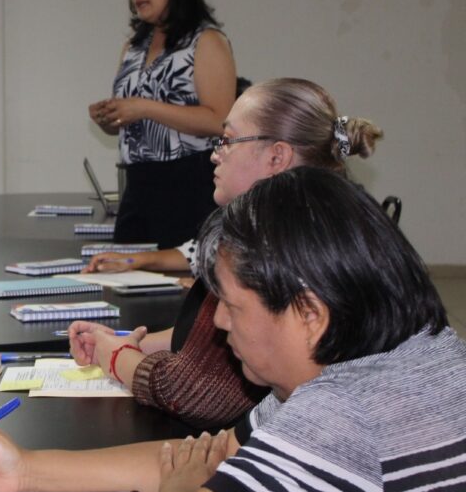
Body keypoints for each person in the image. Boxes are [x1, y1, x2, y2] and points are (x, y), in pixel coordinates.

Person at [0, 168, 466, 492]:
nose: (217, 324)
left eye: (233, 306)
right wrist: (22, 470)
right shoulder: (421, 356)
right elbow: (196, 458)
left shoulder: (342, 420)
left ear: (310, 314)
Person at [72, 77, 383, 428]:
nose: (214, 153)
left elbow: (195, 392)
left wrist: (116, 358)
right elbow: (205, 341)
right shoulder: (315, 220)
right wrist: (129, 344)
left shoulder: (274, 246)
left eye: (227, 140)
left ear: (277, 156)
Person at [88, 0, 236, 249]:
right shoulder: (132, 47)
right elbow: (133, 120)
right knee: (125, 280)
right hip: (139, 186)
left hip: (190, 185)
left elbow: (221, 120)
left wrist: (142, 108)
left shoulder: (206, 40)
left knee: (182, 288)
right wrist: (111, 120)